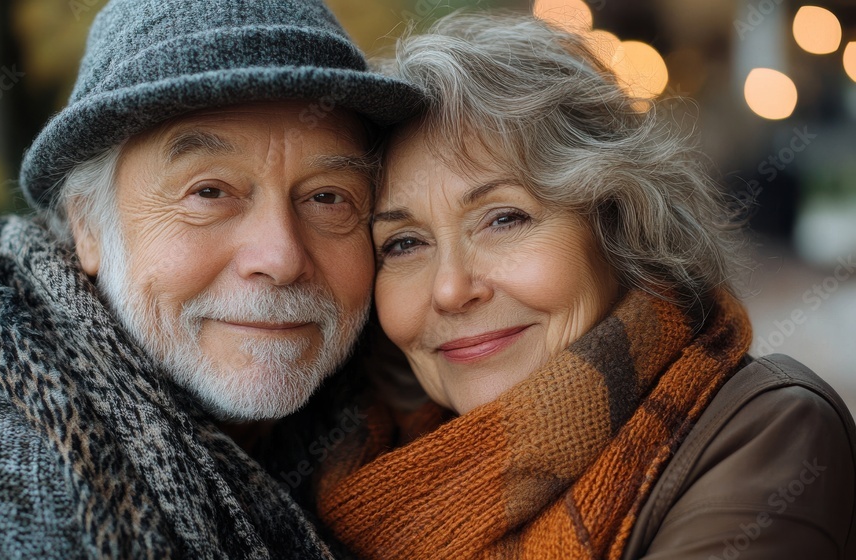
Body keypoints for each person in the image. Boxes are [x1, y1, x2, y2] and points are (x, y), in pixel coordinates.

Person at [0, 0, 422, 557]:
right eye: (209, 192)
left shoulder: (403, 403)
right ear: (87, 228)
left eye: (327, 197)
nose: (281, 257)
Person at [314, 13, 856, 559]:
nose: (451, 290)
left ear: (615, 221)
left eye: (505, 219)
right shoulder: (347, 461)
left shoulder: (768, 430)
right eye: (404, 244)